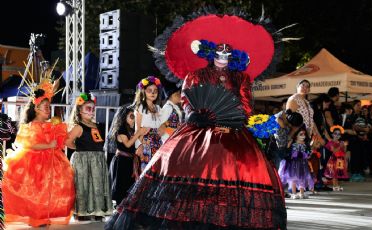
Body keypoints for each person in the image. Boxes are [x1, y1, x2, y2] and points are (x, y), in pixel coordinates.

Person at [106, 13, 287, 229]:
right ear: (211, 52)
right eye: (219, 51)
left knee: (243, 170)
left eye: (227, 52)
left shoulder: (241, 78)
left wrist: (233, 118)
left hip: (233, 133)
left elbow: (245, 106)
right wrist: (197, 115)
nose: (223, 55)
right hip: (198, 130)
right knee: (180, 165)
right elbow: (188, 100)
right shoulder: (196, 75)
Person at [3, 79, 75, 227]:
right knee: (36, 190)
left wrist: (59, 129)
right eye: (46, 107)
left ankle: (44, 215)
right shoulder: (31, 125)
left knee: (50, 188)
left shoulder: (50, 124)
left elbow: (60, 140)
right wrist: (48, 144)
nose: (49, 109)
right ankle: (36, 217)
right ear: (36, 108)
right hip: (34, 162)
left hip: (52, 160)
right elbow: (30, 144)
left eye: (49, 106)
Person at [65, 93, 113, 220]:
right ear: (80, 110)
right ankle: (82, 212)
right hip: (83, 160)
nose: (91, 111)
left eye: (93, 109)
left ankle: (97, 210)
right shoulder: (78, 126)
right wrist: (80, 149)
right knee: (83, 185)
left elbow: (97, 141)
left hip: (97, 159)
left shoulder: (95, 125)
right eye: (88, 108)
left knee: (96, 184)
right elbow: (67, 141)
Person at [106, 105, 146, 205]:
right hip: (122, 161)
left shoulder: (131, 130)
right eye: (131, 117)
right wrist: (138, 134)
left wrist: (141, 135)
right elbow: (128, 144)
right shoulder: (121, 130)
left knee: (129, 185)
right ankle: (120, 208)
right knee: (122, 186)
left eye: (134, 117)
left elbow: (135, 143)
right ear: (124, 117)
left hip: (129, 161)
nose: (133, 119)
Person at [133, 76, 167, 174]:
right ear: (143, 91)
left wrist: (164, 125)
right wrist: (138, 145)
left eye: (155, 91)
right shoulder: (140, 108)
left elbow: (163, 124)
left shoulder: (158, 108)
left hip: (158, 143)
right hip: (146, 143)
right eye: (149, 90)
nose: (153, 93)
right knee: (146, 172)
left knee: (158, 171)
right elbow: (137, 129)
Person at [279, 126, 315, 199]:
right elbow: (289, 152)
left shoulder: (305, 145)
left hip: (303, 163)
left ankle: (301, 193)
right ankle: (294, 193)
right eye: (301, 134)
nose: (303, 136)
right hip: (294, 164)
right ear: (296, 135)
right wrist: (293, 153)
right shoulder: (293, 144)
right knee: (293, 178)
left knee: (302, 177)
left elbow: (308, 153)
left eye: (304, 134)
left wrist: (307, 153)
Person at [324, 125, 349, 191]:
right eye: (335, 133)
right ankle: (335, 186)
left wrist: (345, 146)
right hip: (333, 160)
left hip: (340, 160)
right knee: (334, 173)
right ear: (332, 134)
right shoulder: (331, 142)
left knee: (337, 174)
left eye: (339, 134)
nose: (337, 135)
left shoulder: (341, 142)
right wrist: (340, 146)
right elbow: (334, 150)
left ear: (340, 136)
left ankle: (336, 185)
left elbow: (344, 152)